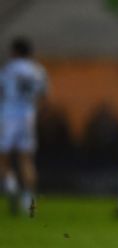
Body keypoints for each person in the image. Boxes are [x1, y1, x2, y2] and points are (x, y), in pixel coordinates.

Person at [0, 37, 47, 216]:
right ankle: (29, 205)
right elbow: (43, 96)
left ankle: (11, 187)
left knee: (3, 158)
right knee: (26, 160)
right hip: (28, 116)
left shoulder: (8, 69)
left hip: (8, 116)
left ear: (15, 51)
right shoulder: (38, 70)